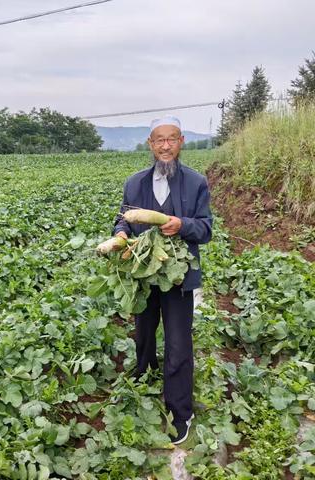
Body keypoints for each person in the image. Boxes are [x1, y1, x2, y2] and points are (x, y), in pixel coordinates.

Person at [112, 115, 213, 445]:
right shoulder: (134, 183)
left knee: (179, 344)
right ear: (151, 145)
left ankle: (180, 411)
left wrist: (181, 224)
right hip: (143, 276)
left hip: (178, 278)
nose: (165, 145)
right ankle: (143, 374)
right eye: (159, 140)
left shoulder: (196, 182)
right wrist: (120, 236)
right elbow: (122, 219)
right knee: (143, 333)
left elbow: (206, 229)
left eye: (172, 139)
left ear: (181, 142)